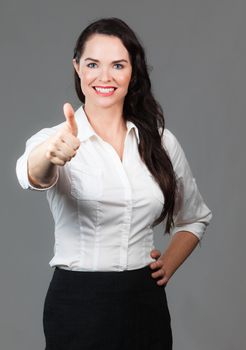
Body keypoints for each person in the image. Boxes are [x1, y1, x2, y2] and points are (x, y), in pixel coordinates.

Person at [16, 17, 212, 350]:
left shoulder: (162, 143)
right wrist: (50, 154)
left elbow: (195, 217)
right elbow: (32, 174)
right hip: (77, 304)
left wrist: (168, 263)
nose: (104, 77)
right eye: (93, 64)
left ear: (132, 71)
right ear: (77, 67)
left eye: (118, 65)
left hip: (144, 303)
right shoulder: (54, 139)